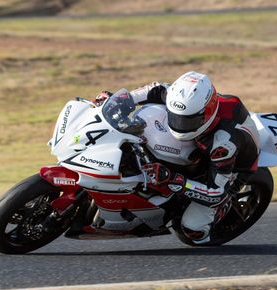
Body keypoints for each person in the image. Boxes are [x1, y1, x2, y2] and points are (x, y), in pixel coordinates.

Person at [94, 71, 260, 244]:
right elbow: (155, 89)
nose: (178, 124)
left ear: (206, 114)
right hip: (204, 146)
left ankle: (221, 211)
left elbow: (216, 193)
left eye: (186, 121)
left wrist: (174, 179)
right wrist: (120, 101)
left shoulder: (223, 145)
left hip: (233, 168)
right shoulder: (186, 102)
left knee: (193, 231)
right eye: (174, 116)